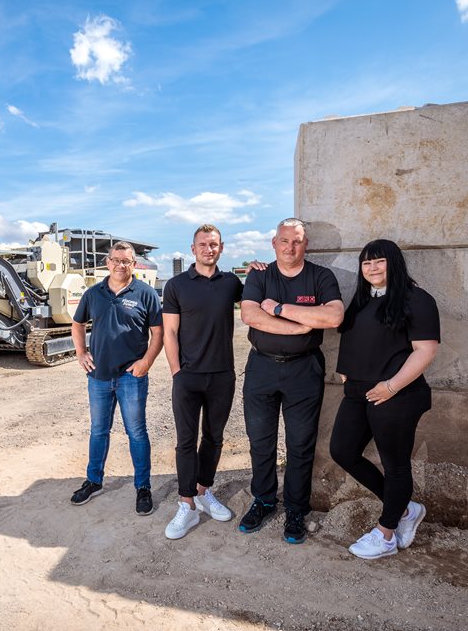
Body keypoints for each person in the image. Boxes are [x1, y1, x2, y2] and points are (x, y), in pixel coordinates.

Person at [329, 239, 440, 560]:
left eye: (379, 262)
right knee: (343, 451)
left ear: (394, 263)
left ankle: (387, 533)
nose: (372, 268)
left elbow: (425, 351)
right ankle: (405, 508)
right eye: (366, 263)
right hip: (357, 393)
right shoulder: (363, 299)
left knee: (395, 466)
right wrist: (346, 371)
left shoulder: (416, 299)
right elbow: (356, 339)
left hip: (397, 395)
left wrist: (391, 386)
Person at [239, 218, 344, 544]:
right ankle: (265, 500)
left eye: (296, 241)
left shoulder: (320, 276)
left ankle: (296, 509)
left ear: (306, 243)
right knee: (260, 440)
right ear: (274, 243)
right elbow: (250, 315)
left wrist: (280, 308)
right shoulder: (259, 274)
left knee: (300, 444)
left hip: (304, 371)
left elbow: (334, 316)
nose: (290, 247)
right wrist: (299, 324)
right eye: (284, 241)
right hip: (262, 368)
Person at [161, 224, 244, 540]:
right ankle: (187, 505)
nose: (209, 249)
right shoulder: (177, 285)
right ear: (193, 248)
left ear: (221, 248)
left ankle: (203, 491)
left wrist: (261, 270)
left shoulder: (232, 283)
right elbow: (169, 332)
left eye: (214, 244)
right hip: (187, 376)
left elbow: (255, 301)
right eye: (203, 244)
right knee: (185, 440)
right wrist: (176, 371)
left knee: (214, 437)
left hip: (222, 374)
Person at [70, 241, 164, 515]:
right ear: (107, 262)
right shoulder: (94, 293)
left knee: (136, 432)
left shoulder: (145, 294)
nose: (120, 265)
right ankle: (94, 481)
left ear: (134, 264)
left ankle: (143, 487)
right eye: (115, 260)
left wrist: (146, 362)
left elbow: (158, 333)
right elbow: (77, 323)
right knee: (98, 430)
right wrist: (81, 352)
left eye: (126, 261)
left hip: (130, 377)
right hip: (98, 376)